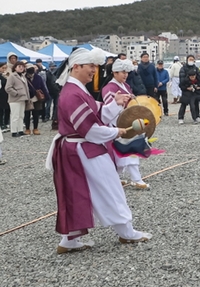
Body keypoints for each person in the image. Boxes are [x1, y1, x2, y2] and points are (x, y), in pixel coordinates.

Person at [48, 47, 151, 253]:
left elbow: (97, 111)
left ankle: (69, 240)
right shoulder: (73, 94)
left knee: (74, 192)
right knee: (110, 187)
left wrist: (116, 103)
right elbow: (91, 130)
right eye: (91, 66)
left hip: (73, 149)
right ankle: (126, 232)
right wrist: (117, 132)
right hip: (84, 149)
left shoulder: (74, 90)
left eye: (95, 66)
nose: (95, 70)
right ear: (76, 67)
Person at [102, 59, 149, 189]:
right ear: (114, 72)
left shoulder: (126, 86)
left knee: (127, 152)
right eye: (122, 72)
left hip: (129, 123)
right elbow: (107, 110)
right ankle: (133, 179)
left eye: (127, 72)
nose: (125, 75)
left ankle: (122, 178)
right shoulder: (109, 88)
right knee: (122, 153)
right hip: (116, 124)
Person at [6, 61, 31, 137]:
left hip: (23, 99)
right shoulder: (12, 76)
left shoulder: (23, 76)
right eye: (19, 66)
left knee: (21, 115)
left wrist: (27, 97)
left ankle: (20, 130)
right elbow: (8, 88)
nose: (21, 68)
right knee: (15, 116)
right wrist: (16, 93)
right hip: (15, 100)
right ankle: (14, 131)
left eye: (22, 66)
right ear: (15, 68)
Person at [24, 64, 49, 135]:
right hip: (28, 98)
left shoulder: (38, 77)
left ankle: (35, 128)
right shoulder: (24, 77)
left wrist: (46, 96)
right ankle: (27, 128)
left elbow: (43, 86)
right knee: (27, 114)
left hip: (37, 98)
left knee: (36, 114)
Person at [0, 62, 9, 133]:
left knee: (6, 109)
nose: (4, 69)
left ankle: (6, 123)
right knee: (1, 111)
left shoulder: (5, 75)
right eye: (3, 68)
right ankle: (1, 124)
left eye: (5, 68)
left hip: (5, 95)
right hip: (1, 95)